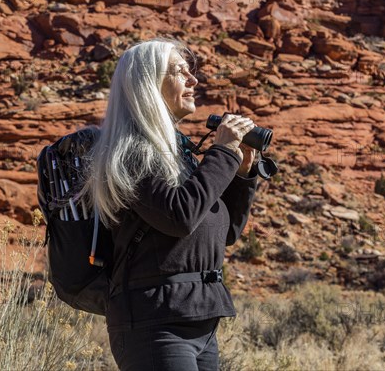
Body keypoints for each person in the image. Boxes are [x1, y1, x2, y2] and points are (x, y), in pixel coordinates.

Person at [80, 38, 260, 370]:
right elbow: (179, 216)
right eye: (179, 72)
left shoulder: (180, 155)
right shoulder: (130, 153)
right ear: (147, 84)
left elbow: (226, 232)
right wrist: (221, 153)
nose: (193, 80)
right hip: (154, 324)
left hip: (199, 318)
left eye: (191, 72)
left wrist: (243, 173)